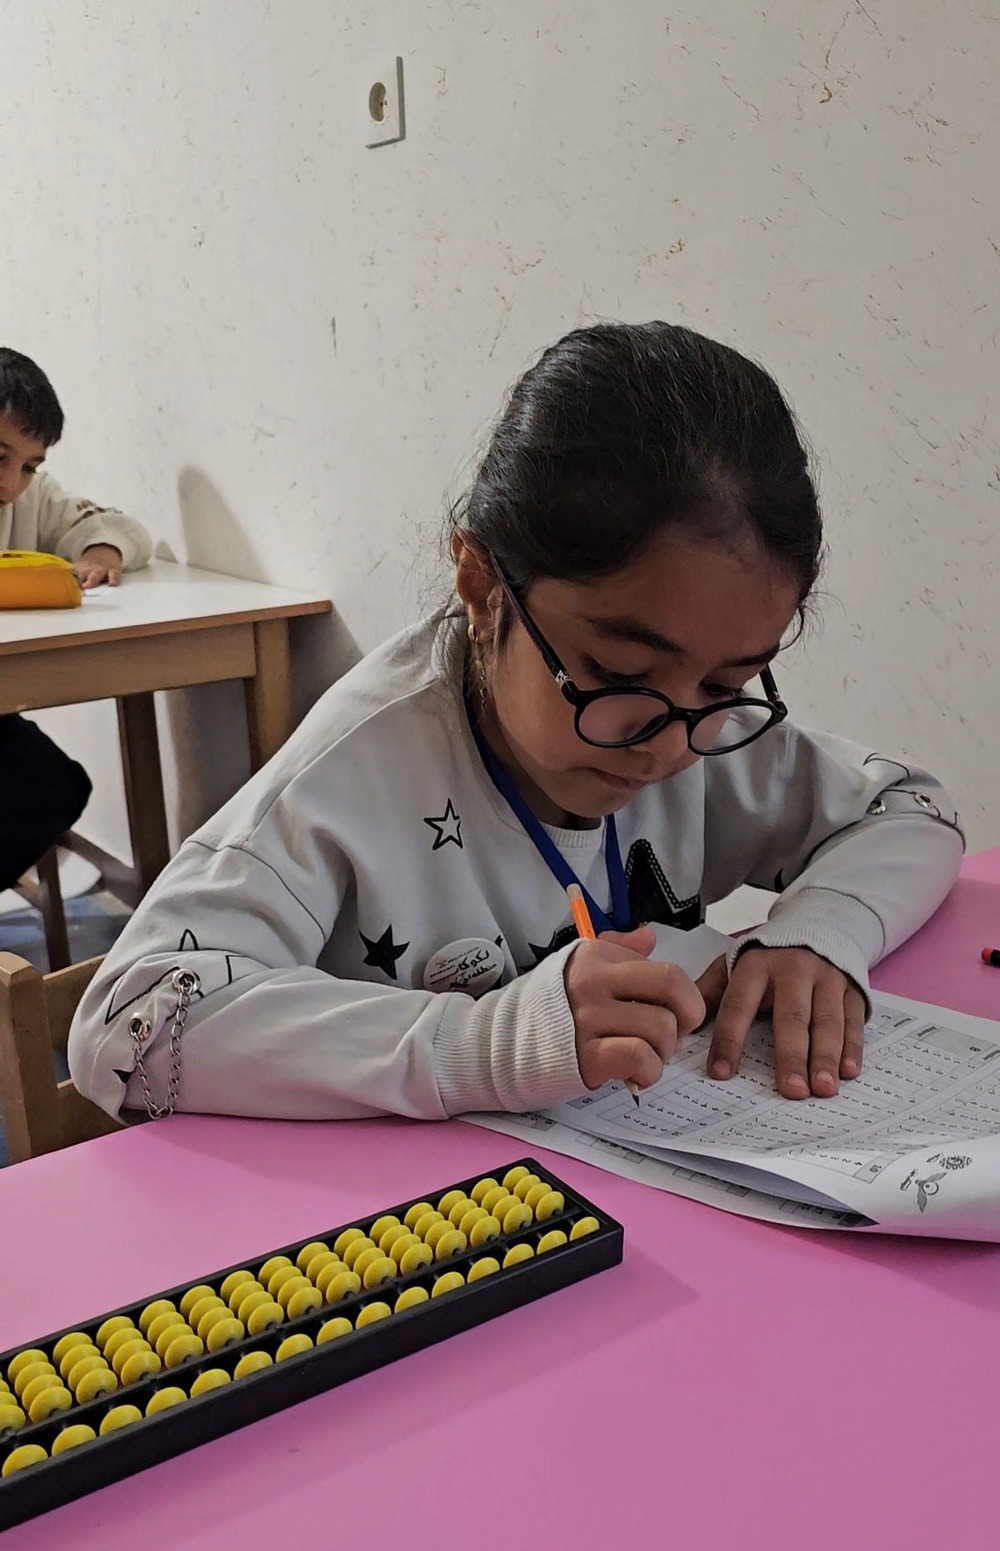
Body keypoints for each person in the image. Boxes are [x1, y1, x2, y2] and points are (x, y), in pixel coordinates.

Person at [68, 322, 962, 1126]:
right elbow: (123, 1031)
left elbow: (912, 808)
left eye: (728, 681)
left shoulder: (697, 730)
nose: (667, 745)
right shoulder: (353, 782)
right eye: (618, 673)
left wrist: (820, 931)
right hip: (398, 1225)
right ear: (482, 586)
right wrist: (482, 1045)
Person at [0, 348, 152, 889]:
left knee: (57, 787)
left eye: (30, 465)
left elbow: (113, 524)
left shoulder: (29, 499)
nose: (12, 483)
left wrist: (101, 550)